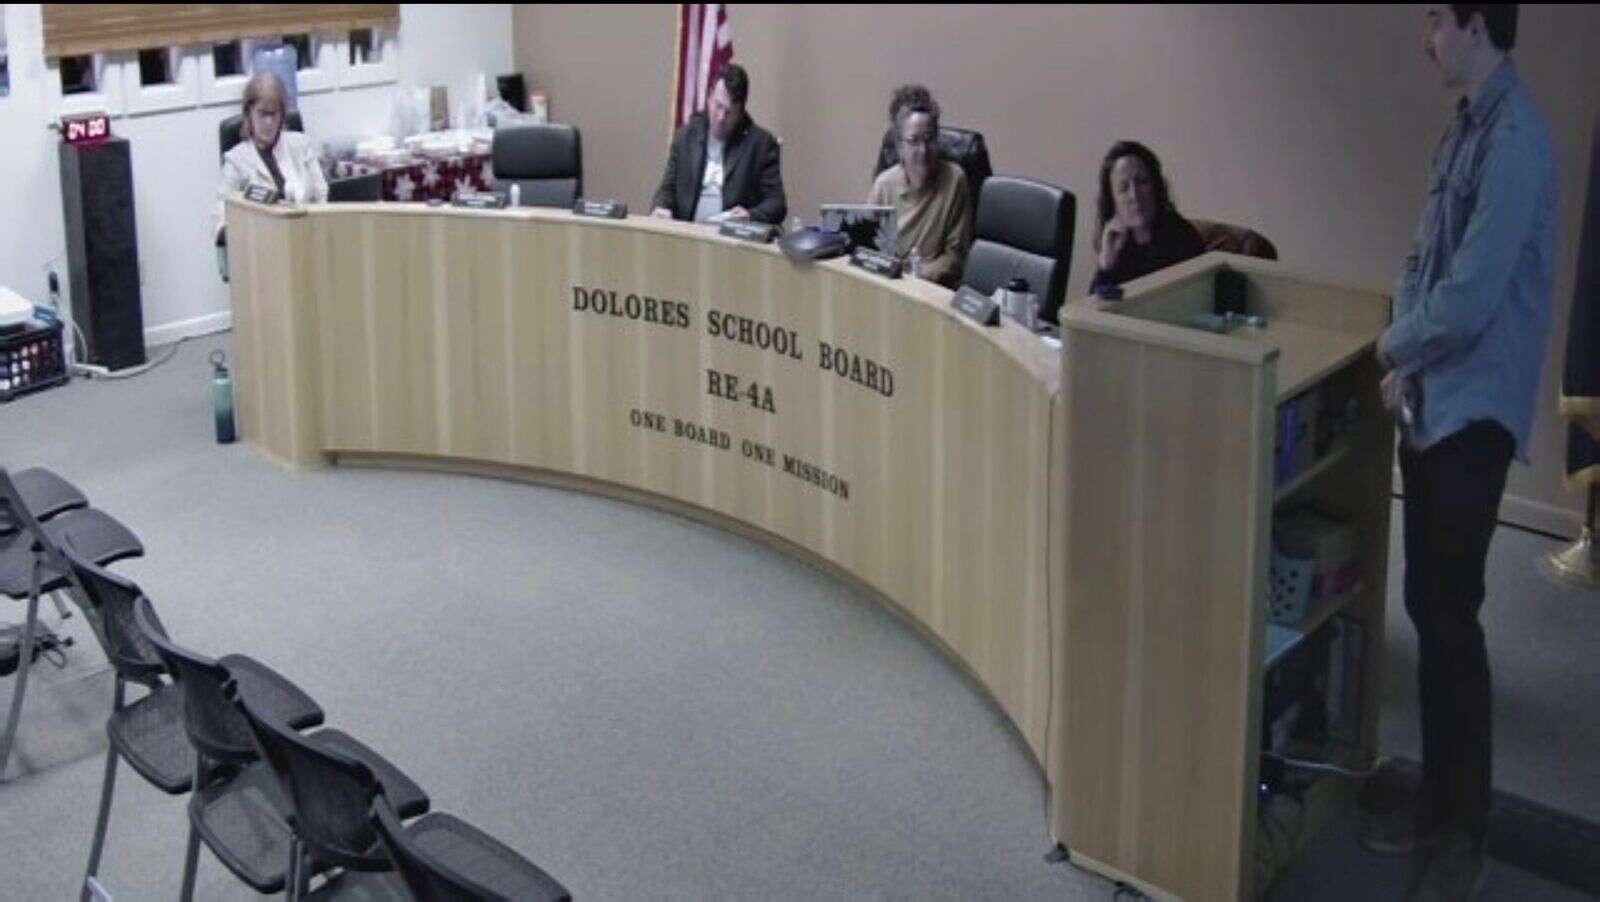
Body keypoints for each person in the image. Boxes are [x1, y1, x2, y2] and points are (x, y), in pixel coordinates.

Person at [1365, 6, 1555, 900]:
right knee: (1429, 606)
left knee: (1452, 620)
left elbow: (1473, 299)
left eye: (1437, 18)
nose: (1425, 37)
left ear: (1477, 24)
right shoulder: (1465, 127)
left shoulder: (1516, 140)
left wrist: (1393, 348)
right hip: (1432, 400)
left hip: (1475, 415)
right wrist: (1404, 354)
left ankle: (1463, 833)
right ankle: (1434, 809)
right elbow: (1421, 260)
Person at [651, 64, 786, 225]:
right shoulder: (686, 137)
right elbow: (667, 189)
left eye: (729, 112)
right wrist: (661, 207)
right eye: (718, 106)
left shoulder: (761, 145)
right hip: (688, 231)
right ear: (709, 98)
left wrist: (750, 215)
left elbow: (777, 204)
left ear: (741, 113)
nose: (721, 118)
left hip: (730, 236)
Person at [867, 87, 971, 288]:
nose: (923, 150)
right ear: (900, 147)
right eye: (914, 141)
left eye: (929, 139)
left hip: (932, 289)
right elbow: (867, 251)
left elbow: (955, 258)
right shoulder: (883, 186)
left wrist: (914, 277)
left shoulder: (954, 180)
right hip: (889, 287)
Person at [214, 72, 327, 242]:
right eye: (262, 114)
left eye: (273, 114)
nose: (268, 122)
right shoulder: (236, 160)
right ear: (249, 113)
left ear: (282, 115)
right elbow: (221, 217)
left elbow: (322, 197)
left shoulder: (302, 146)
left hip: (306, 239)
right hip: (261, 246)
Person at [1087, 141, 1204, 293]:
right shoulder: (1115, 242)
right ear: (1112, 201)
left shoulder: (1183, 235)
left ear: (1156, 187)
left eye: (1142, 182)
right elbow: (1094, 305)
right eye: (1123, 188)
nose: (1134, 195)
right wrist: (1106, 263)